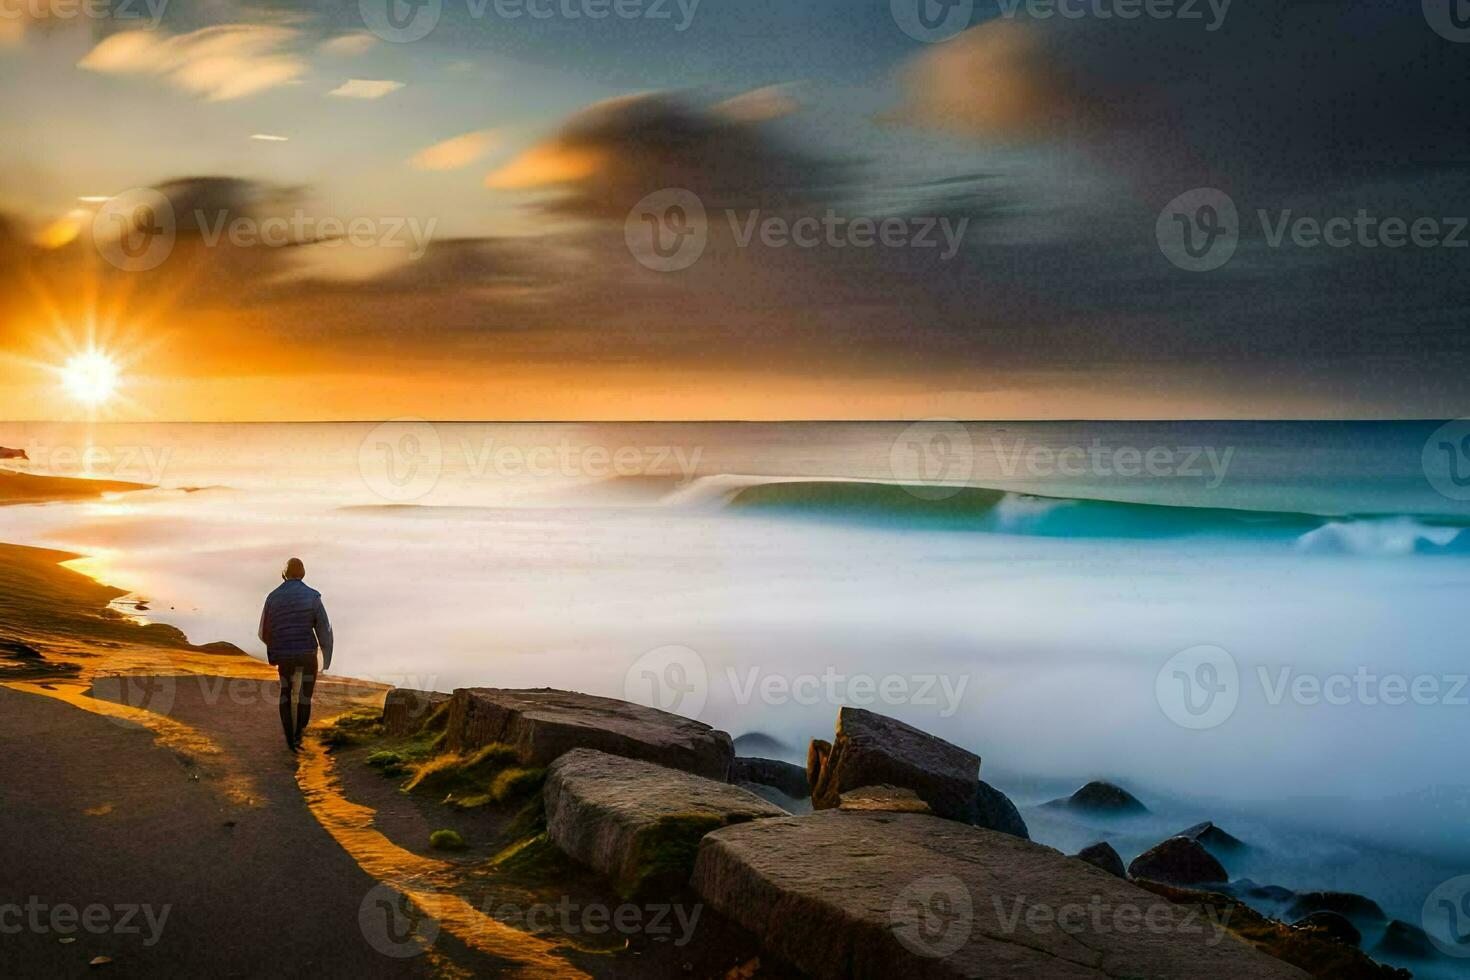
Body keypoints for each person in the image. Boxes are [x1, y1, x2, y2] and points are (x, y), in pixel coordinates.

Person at [258, 558, 333, 752]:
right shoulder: (313, 596)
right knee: (304, 696)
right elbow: (324, 630)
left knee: (286, 693)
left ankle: (290, 740)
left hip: (284, 655)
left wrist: (275, 650)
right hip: (307, 654)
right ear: (303, 574)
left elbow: (263, 632)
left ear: (284, 574)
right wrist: (327, 658)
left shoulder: (272, 598)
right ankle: (300, 734)